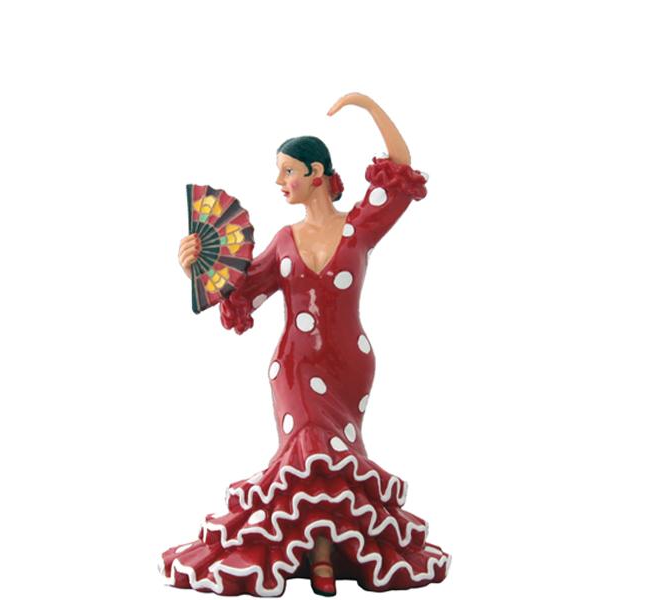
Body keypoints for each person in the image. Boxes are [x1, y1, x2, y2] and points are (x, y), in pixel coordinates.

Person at [163, 93, 449, 597]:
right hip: (294, 365)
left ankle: (331, 549)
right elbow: (240, 292)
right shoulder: (283, 239)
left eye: (288, 171)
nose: (280, 181)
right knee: (306, 451)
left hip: (348, 364)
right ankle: (317, 558)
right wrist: (195, 268)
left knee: (337, 456)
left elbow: (401, 170)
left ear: (317, 173)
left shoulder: (359, 226)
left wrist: (366, 104)